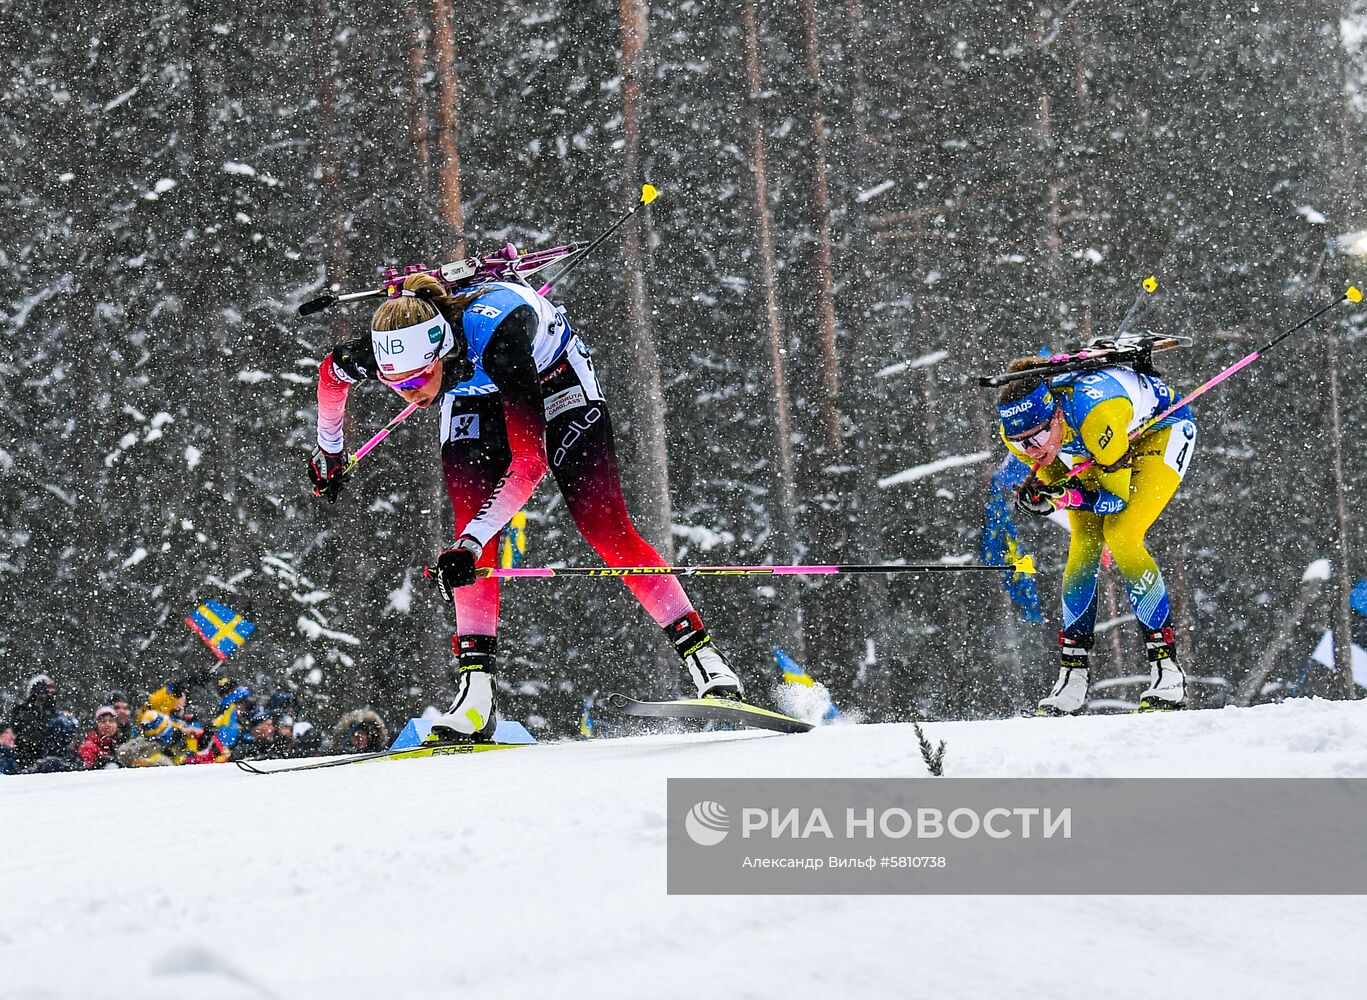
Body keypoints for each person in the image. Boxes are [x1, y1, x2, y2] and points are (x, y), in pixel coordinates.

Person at [307, 271, 743, 741]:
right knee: (470, 527)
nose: (411, 391)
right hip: (471, 396)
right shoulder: (388, 347)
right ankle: (476, 697)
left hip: (553, 381)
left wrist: (469, 544)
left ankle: (707, 662)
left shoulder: (500, 336)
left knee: (605, 527)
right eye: (397, 383)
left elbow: (530, 462)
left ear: (441, 351)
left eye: (418, 377)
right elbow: (331, 375)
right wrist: (329, 450)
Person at [995, 359, 1196, 713]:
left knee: (1122, 534)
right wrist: (1046, 493)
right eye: (1021, 442)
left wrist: (1064, 497)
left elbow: (1114, 501)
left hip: (1161, 430)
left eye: (1039, 436)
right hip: (1102, 447)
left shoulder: (1094, 416)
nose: (1032, 449)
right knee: (1083, 542)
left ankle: (1168, 671)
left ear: (1056, 415)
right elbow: (1054, 476)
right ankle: (1072, 677)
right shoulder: (1022, 434)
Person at [11, 674, 60, 771]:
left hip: (47, 754)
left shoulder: (51, 712)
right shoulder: (24, 711)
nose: (47, 696)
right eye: (44, 693)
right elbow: (24, 733)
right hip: (28, 757)